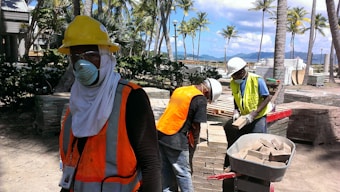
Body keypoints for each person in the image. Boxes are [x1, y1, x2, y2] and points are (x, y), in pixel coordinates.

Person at [57, 15, 161, 192]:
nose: (82, 63)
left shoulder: (131, 97)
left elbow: (151, 162)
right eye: (76, 56)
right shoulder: (77, 100)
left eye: (90, 55)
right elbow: (73, 160)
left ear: (105, 57)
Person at [156, 78, 222, 192]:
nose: (206, 100)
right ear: (207, 92)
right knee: (183, 173)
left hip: (160, 133)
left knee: (166, 171)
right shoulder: (200, 99)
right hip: (175, 137)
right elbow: (196, 127)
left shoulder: (181, 90)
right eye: (208, 98)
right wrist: (192, 148)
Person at [222, 57, 273, 191]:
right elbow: (236, 97)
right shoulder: (234, 82)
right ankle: (242, 169)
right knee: (242, 142)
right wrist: (236, 111)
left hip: (258, 117)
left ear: (241, 71)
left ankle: (258, 175)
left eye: (235, 74)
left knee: (258, 144)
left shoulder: (257, 80)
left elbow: (267, 97)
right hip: (244, 117)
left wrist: (253, 114)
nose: (234, 77)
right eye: (232, 75)